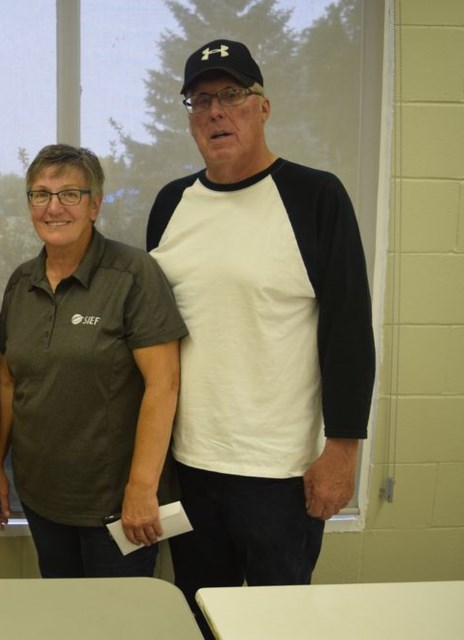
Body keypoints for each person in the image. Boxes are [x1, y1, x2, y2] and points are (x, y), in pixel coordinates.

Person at [145, 39, 376, 636]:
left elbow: (349, 329)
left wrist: (343, 450)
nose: (216, 112)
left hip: (281, 473)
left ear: (263, 107)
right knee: (198, 617)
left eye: (231, 96)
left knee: (278, 625)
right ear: (190, 116)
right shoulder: (172, 203)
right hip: (191, 464)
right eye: (201, 100)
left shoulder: (315, 196)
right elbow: (153, 336)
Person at [0, 144, 188, 578]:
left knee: (115, 624)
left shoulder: (133, 275)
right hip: (41, 498)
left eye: (69, 194)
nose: (54, 207)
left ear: (95, 205)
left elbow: (164, 383)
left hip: (115, 506)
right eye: (41, 194)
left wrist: (141, 488)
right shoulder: (22, 281)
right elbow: (7, 380)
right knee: (65, 618)